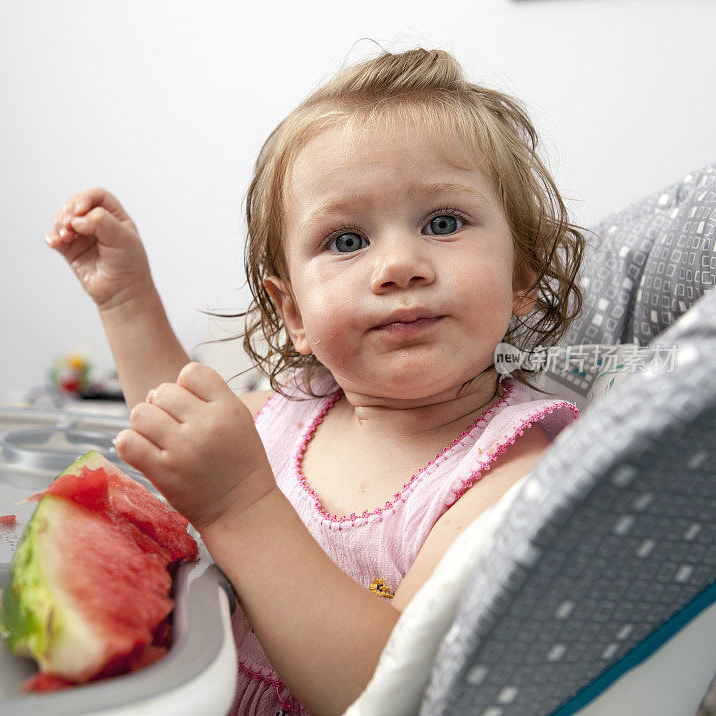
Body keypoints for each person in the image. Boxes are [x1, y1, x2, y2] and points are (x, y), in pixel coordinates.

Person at [45, 47, 584, 715]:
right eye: (347, 241)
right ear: (294, 313)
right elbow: (177, 430)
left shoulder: (514, 472)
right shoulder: (293, 411)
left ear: (522, 274)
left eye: (443, 223)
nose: (399, 265)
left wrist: (240, 508)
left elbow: (388, 694)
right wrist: (127, 303)